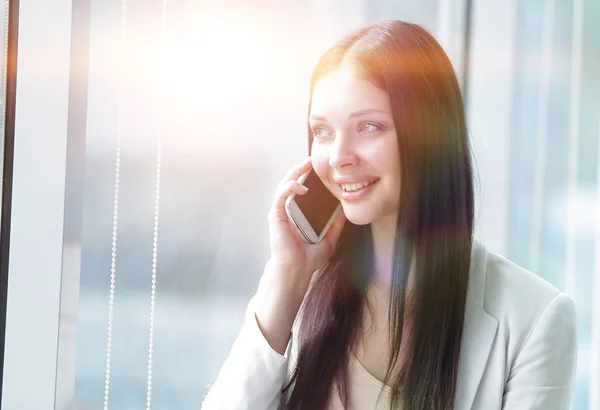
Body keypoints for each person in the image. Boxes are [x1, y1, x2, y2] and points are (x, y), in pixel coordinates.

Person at [201, 20, 577, 410]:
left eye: (368, 127)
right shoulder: (298, 290)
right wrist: (288, 276)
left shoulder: (533, 319)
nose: (339, 157)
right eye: (322, 131)